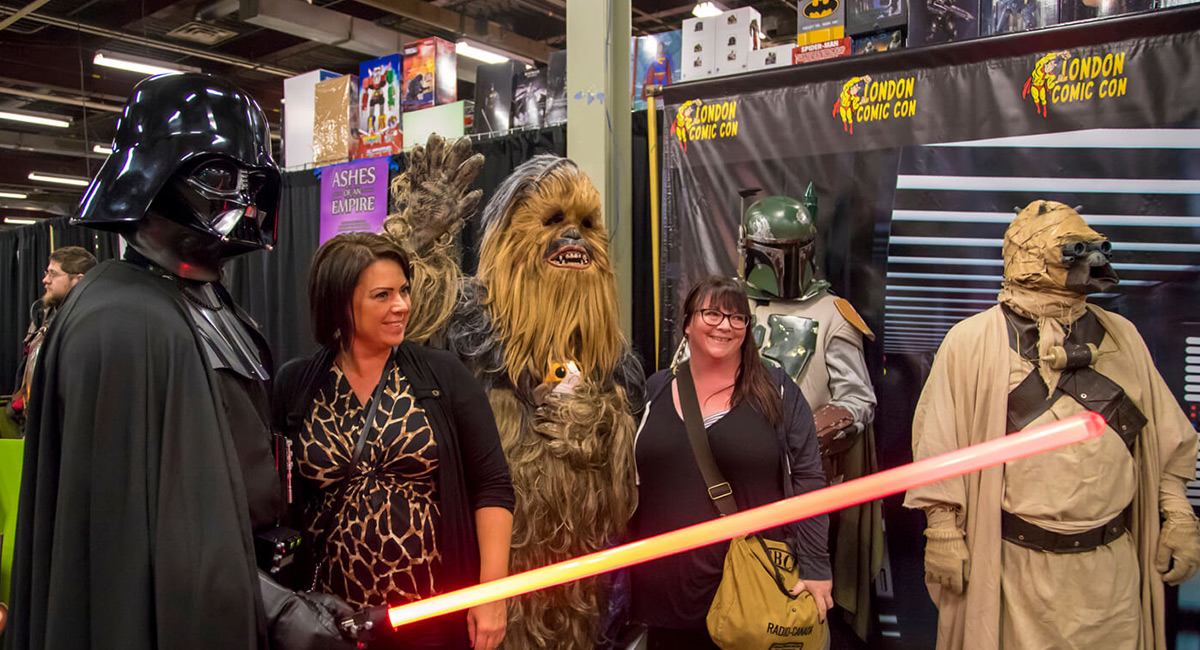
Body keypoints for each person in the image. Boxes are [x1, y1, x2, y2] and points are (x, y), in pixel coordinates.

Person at [5, 72, 353, 650]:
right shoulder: (120, 321)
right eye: (218, 176)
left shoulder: (204, 303)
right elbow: (133, 538)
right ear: (153, 175)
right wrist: (272, 607)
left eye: (252, 181)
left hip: (237, 587)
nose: (241, 199)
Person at [903, 200, 1200, 650]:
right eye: (1074, 251)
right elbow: (940, 442)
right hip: (1015, 576)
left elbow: (1161, 436)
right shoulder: (974, 341)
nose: (1091, 262)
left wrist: (1177, 514)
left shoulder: (1122, 336)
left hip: (1110, 578)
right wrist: (943, 529)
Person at [273, 232, 515, 650]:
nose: (401, 306)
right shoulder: (297, 386)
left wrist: (491, 594)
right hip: (333, 622)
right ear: (339, 302)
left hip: (432, 615)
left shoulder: (442, 376)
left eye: (403, 291)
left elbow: (492, 486)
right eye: (382, 295)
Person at [631, 275, 831, 649]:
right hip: (664, 589)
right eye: (712, 313)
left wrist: (817, 567)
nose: (725, 325)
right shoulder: (654, 390)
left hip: (749, 587)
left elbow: (809, 480)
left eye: (737, 317)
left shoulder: (778, 391)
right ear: (688, 322)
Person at [738, 189, 882, 639]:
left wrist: (816, 430)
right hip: (729, 483)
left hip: (801, 487)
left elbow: (860, 399)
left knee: (798, 614)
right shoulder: (727, 304)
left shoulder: (831, 314)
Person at [10, 246, 97, 425]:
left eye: (53, 274)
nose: (45, 280)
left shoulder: (91, 321)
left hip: (68, 422)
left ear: (78, 280)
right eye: (46, 273)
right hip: (34, 421)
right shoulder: (42, 316)